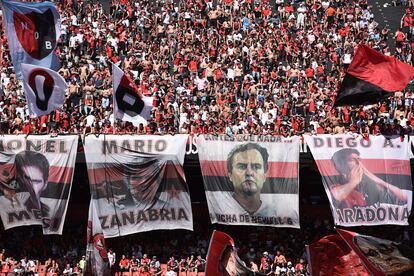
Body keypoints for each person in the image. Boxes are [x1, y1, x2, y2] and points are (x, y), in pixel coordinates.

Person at [330, 148, 408, 209]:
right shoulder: (336, 181)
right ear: (341, 164)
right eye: (351, 160)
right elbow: (338, 195)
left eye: (359, 159)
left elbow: (403, 197)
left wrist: (375, 178)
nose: (358, 163)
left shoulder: (369, 181)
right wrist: (353, 182)